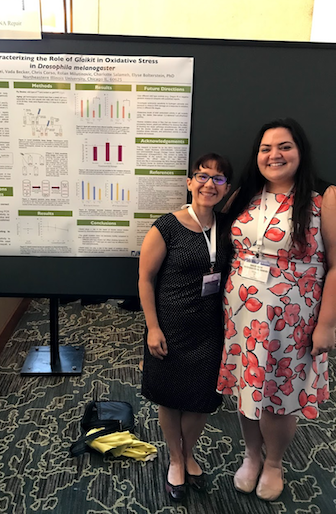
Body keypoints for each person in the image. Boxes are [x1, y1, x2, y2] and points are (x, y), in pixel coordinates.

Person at [217, 118, 336, 501]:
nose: (275, 155)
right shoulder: (245, 194)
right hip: (242, 316)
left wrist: (327, 325)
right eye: (266, 148)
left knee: (281, 395)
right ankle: (252, 456)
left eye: (284, 146)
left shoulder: (324, 198)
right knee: (248, 388)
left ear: (300, 151)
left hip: (294, 320)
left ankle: (274, 463)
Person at [139, 153, 233, 501]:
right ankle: (176, 459)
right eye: (203, 176)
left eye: (219, 178)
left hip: (211, 329)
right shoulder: (166, 226)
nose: (210, 183)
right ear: (190, 181)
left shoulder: (227, 227)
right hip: (171, 326)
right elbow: (145, 279)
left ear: (226, 187)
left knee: (200, 399)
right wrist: (152, 327)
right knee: (170, 396)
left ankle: (188, 452)